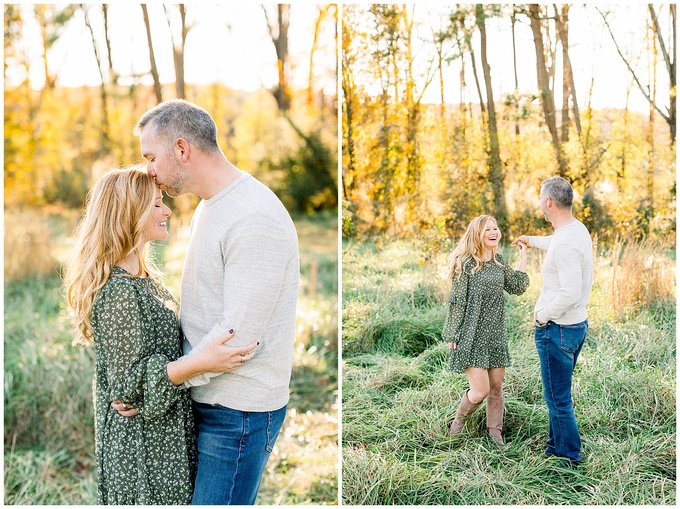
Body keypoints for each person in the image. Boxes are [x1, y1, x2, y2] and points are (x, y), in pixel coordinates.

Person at [116, 99, 300, 505]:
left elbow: (237, 339)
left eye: (151, 156)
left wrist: (165, 380)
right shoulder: (213, 205)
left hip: (238, 412)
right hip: (209, 398)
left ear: (181, 149)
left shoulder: (254, 216)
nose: (148, 169)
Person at [64, 167, 258, 504]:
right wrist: (199, 363)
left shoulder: (144, 279)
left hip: (164, 436)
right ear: (129, 214)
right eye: (156, 205)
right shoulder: (120, 291)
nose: (166, 210)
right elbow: (128, 388)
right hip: (143, 450)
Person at [513, 176, 593, 466]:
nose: (539, 204)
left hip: (558, 328)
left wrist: (541, 316)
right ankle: (554, 446)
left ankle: (569, 459)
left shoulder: (567, 244)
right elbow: (556, 244)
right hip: (575, 326)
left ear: (548, 202)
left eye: (539, 198)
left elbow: (570, 293)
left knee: (558, 399)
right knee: (558, 394)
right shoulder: (574, 230)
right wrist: (531, 241)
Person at [442, 215, 529, 446]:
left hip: (495, 334)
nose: (494, 232)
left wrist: (523, 257)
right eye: (487, 229)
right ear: (477, 234)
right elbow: (457, 301)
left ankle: (495, 433)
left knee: (497, 386)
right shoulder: (466, 263)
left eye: (495, 228)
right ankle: (457, 425)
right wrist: (452, 333)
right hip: (471, 334)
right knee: (480, 390)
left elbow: (518, 286)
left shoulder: (499, 262)